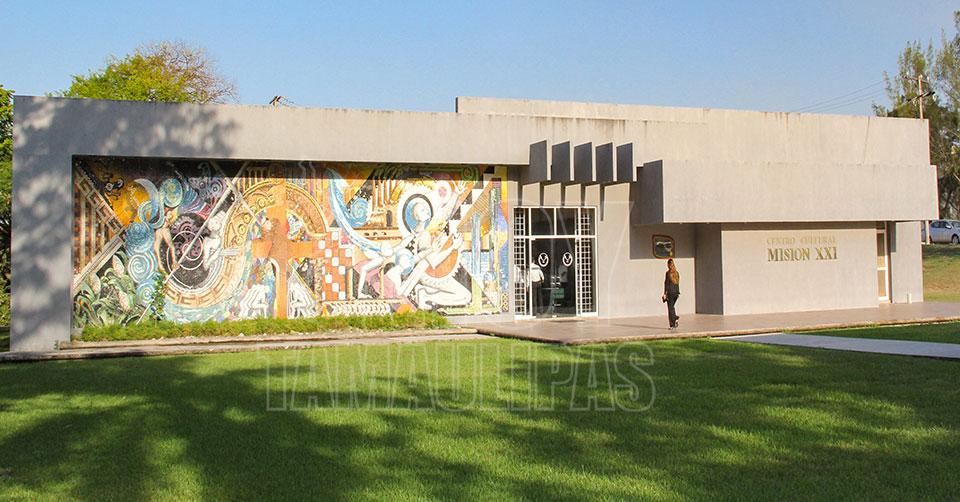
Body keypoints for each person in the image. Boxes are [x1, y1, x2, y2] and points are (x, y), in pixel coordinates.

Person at [661, 259, 680, 329]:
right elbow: (677, 284)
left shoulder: (668, 273)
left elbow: (666, 284)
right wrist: (677, 292)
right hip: (676, 293)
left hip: (670, 293)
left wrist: (665, 293)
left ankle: (674, 320)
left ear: (668, 265)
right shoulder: (677, 273)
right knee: (672, 307)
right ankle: (674, 324)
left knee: (670, 308)